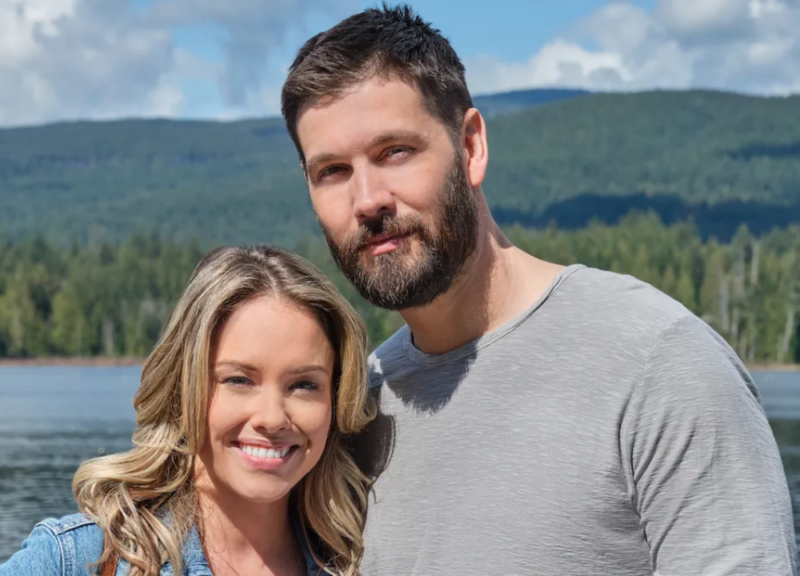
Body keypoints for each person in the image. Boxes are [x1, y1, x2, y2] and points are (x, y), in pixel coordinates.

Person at [280, 4, 796, 575]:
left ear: (471, 146)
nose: (368, 198)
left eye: (394, 152)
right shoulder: (356, 408)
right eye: (332, 171)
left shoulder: (657, 363)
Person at [0, 245, 374, 576]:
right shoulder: (79, 560)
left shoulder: (363, 558)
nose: (272, 417)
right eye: (239, 380)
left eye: (304, 385)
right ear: (183, 387)